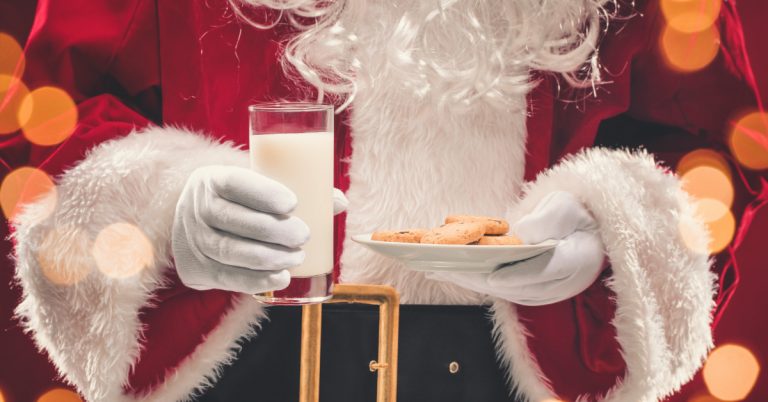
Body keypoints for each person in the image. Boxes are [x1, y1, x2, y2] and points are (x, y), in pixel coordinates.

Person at [5, 0, 758, 401]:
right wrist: (160, 211)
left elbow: (716, 155)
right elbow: (44, 121)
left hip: (514, 382)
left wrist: (612, 227)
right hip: (242, 374)